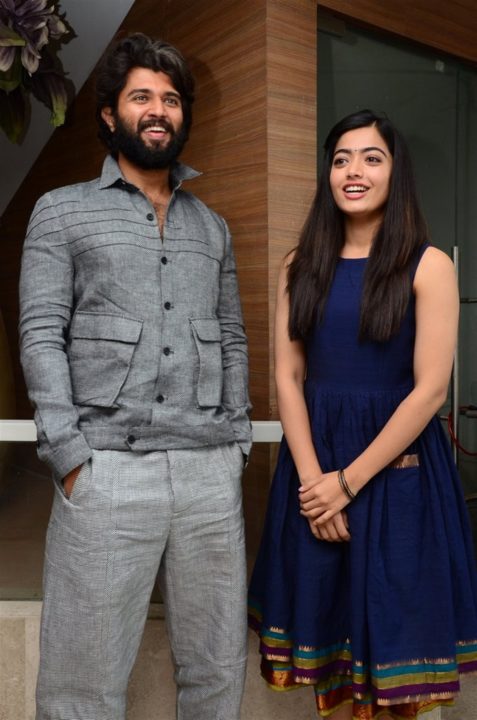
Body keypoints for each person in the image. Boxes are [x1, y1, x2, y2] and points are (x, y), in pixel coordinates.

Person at [20, 32, 252, 720]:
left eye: (171, 99)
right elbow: (40, 335)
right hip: (107, 472)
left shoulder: (211, 227)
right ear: (108, 114)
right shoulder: (60, 210)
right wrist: (69, 458)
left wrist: (235, 441)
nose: (159, 110)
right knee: (81, 684)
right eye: (142, 97)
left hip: (209, 474)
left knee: (214, 669)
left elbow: (234, 336)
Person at [248, 109, 477, 719]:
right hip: (312, 474)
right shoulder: (301, 264)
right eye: (342, 158)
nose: (354, 171)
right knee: (333, 670)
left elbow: (430, 391)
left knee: (395, 670)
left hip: (398, 476)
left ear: (394, 172)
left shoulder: (428, 265)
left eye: (371, 158)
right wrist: (314, 485)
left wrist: (347, 484)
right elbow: (288, 377)